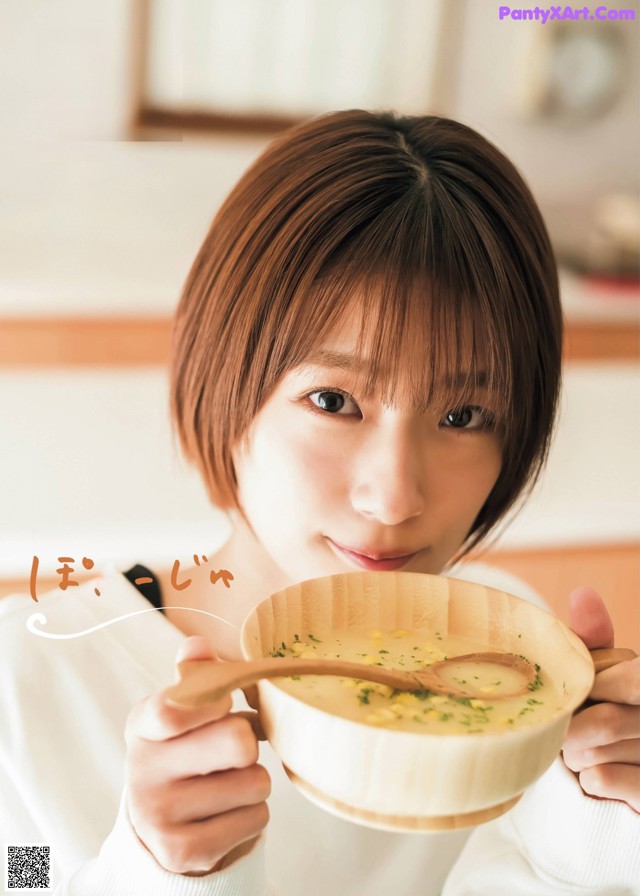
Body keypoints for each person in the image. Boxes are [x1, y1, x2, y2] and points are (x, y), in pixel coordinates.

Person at [0, 110, 637, 895]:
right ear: (225, 381)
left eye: (464, 417)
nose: (394, 495)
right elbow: (21, 875)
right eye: (334, 400)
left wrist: (596, 835)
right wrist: (155, 869)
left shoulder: (510, 667)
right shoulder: (27, 683)